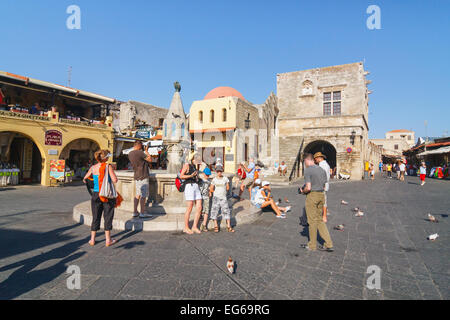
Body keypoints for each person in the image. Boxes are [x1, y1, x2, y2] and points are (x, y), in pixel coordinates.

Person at [83, 150, 118, 247]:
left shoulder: (93, 167)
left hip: (96, 194)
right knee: (108, 215)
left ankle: (92, 239)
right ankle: (108, 240)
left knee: (95, 216)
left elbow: (85, 178)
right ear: (106, 158)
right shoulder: (108, 166)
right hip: (106, 195)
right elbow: (115, 179)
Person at [299, 153, 334, 252]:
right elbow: (324, 184)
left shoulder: (308, 170)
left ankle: (312, 245)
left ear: (307, 160)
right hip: (321, 195)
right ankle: (328, 243)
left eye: (304, 162)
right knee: (319, 220)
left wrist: (303, 191)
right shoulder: (321, 170)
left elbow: (308, 187)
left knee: (312, 221)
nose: (304, 164)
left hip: (312, 196)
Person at [180, 152, 203, 234]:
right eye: (198, 159)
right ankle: (186, 227)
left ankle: (194, 226)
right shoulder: (187, 165)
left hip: (196, 186)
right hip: (189, 186)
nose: (199, 160)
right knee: (189, 207)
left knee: (199, 207)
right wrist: (190, 176)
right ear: (193, 159)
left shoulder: (195, 167)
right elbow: (181, 176)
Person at [128, 141, 152, 218]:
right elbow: (150, 160)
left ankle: (135, 211)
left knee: (138, 194)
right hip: (143, 175)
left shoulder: (130, 153)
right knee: (143, 195)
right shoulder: (140, 152)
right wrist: (146, 151)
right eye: (141, 146)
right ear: (139, 145)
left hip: (137, 175)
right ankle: (142, 212)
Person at [209, 165, 234, 233]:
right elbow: (211, 188)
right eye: (218, 171)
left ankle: (229, 226)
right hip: (216, 197)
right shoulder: (214, 179)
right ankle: (215, 225)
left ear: (222, 171)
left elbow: (228, 187)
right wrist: (214, 192)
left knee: (226, 210)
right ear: (216, 172)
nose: (219, 173)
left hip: (223, 197)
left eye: (220, 171)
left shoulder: (225, 179)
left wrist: (226, 188)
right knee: (215, 211)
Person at [314, 152, 330, 219]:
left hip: (321, 185)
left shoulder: (322, 165)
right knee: (322, 201)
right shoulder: (324, 164)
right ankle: (323, 215)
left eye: (315, 159)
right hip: (323, 185)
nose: (315, 161)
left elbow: (323, 176)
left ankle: (324, 216)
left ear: (318, 158)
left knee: (322, 201)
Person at [198, 167, 212, 232]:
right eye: (206, 174)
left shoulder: (209, 181)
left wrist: (210, 192)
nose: (207, 176)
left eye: (208, 175)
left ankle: (204, 225)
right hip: (200, 197)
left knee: (206, 211)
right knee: (200, 210)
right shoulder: (200, 180)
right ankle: (199, 222)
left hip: (206, 198)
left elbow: (210, 188)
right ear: (203, 174)